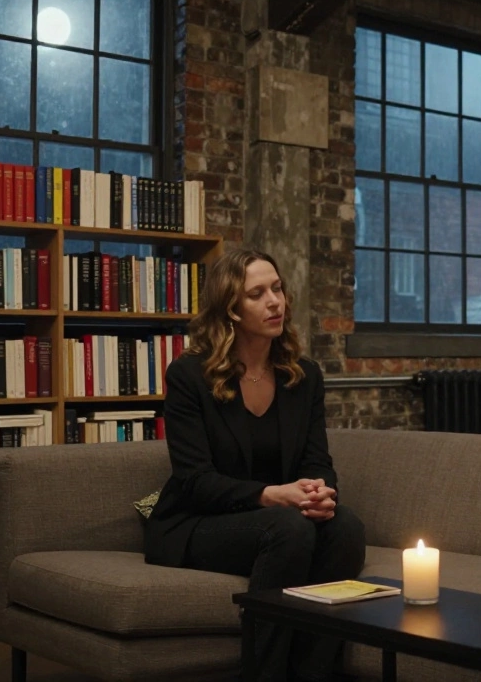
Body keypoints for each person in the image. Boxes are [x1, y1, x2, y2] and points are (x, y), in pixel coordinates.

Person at [144, 246, 365, 682]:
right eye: (257, 294)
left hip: (279, 519)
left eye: (278, 289)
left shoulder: (303, 374)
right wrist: (269, 495)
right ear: (230, 309)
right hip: (199, 521)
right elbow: (194, 481)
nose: (275, 302)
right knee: (289, 527)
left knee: (345, 527)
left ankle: (314, 672)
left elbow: (316, 459)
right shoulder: (190, 376)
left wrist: (321, 492)